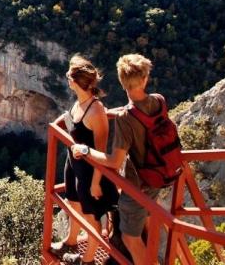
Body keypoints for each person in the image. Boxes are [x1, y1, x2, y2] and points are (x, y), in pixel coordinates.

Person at [73, 54, 170, 265]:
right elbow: (142, 114)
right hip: (160, 174)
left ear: (121, 81)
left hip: (138, 185)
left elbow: (114, 161)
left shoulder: (126, 120)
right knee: (148, 223)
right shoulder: (159, 100)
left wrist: (86, 150)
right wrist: (117, 113)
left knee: (130, 237)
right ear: (145, 79)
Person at [51, 56, 118, 264]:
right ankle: (71, 240)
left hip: (90, 172)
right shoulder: (80, 102)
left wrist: (96, 183)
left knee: (91, 218)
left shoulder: (96, 110)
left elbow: (101, 151)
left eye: (69, 76)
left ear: (75, 81)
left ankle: (87, 261)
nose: (66, 79)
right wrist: (56, 124)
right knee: (73, 204)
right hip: (74, 165)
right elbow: (71, 120)